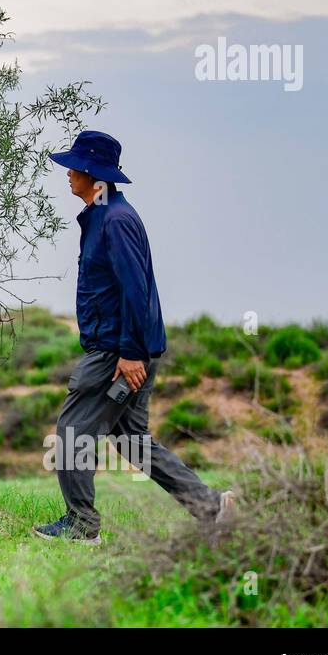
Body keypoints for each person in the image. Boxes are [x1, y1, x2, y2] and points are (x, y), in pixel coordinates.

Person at [34, 130, 235, 545]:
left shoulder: (116, 220)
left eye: (75, 167)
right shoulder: (102, 216)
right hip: (122, 348)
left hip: (116, 353)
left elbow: (135, 290)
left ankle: (81, 526)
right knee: (133, 442)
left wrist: (129, 354)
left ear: (95, 175)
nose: (68, 174)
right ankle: (213, 509)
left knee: (72, 432)